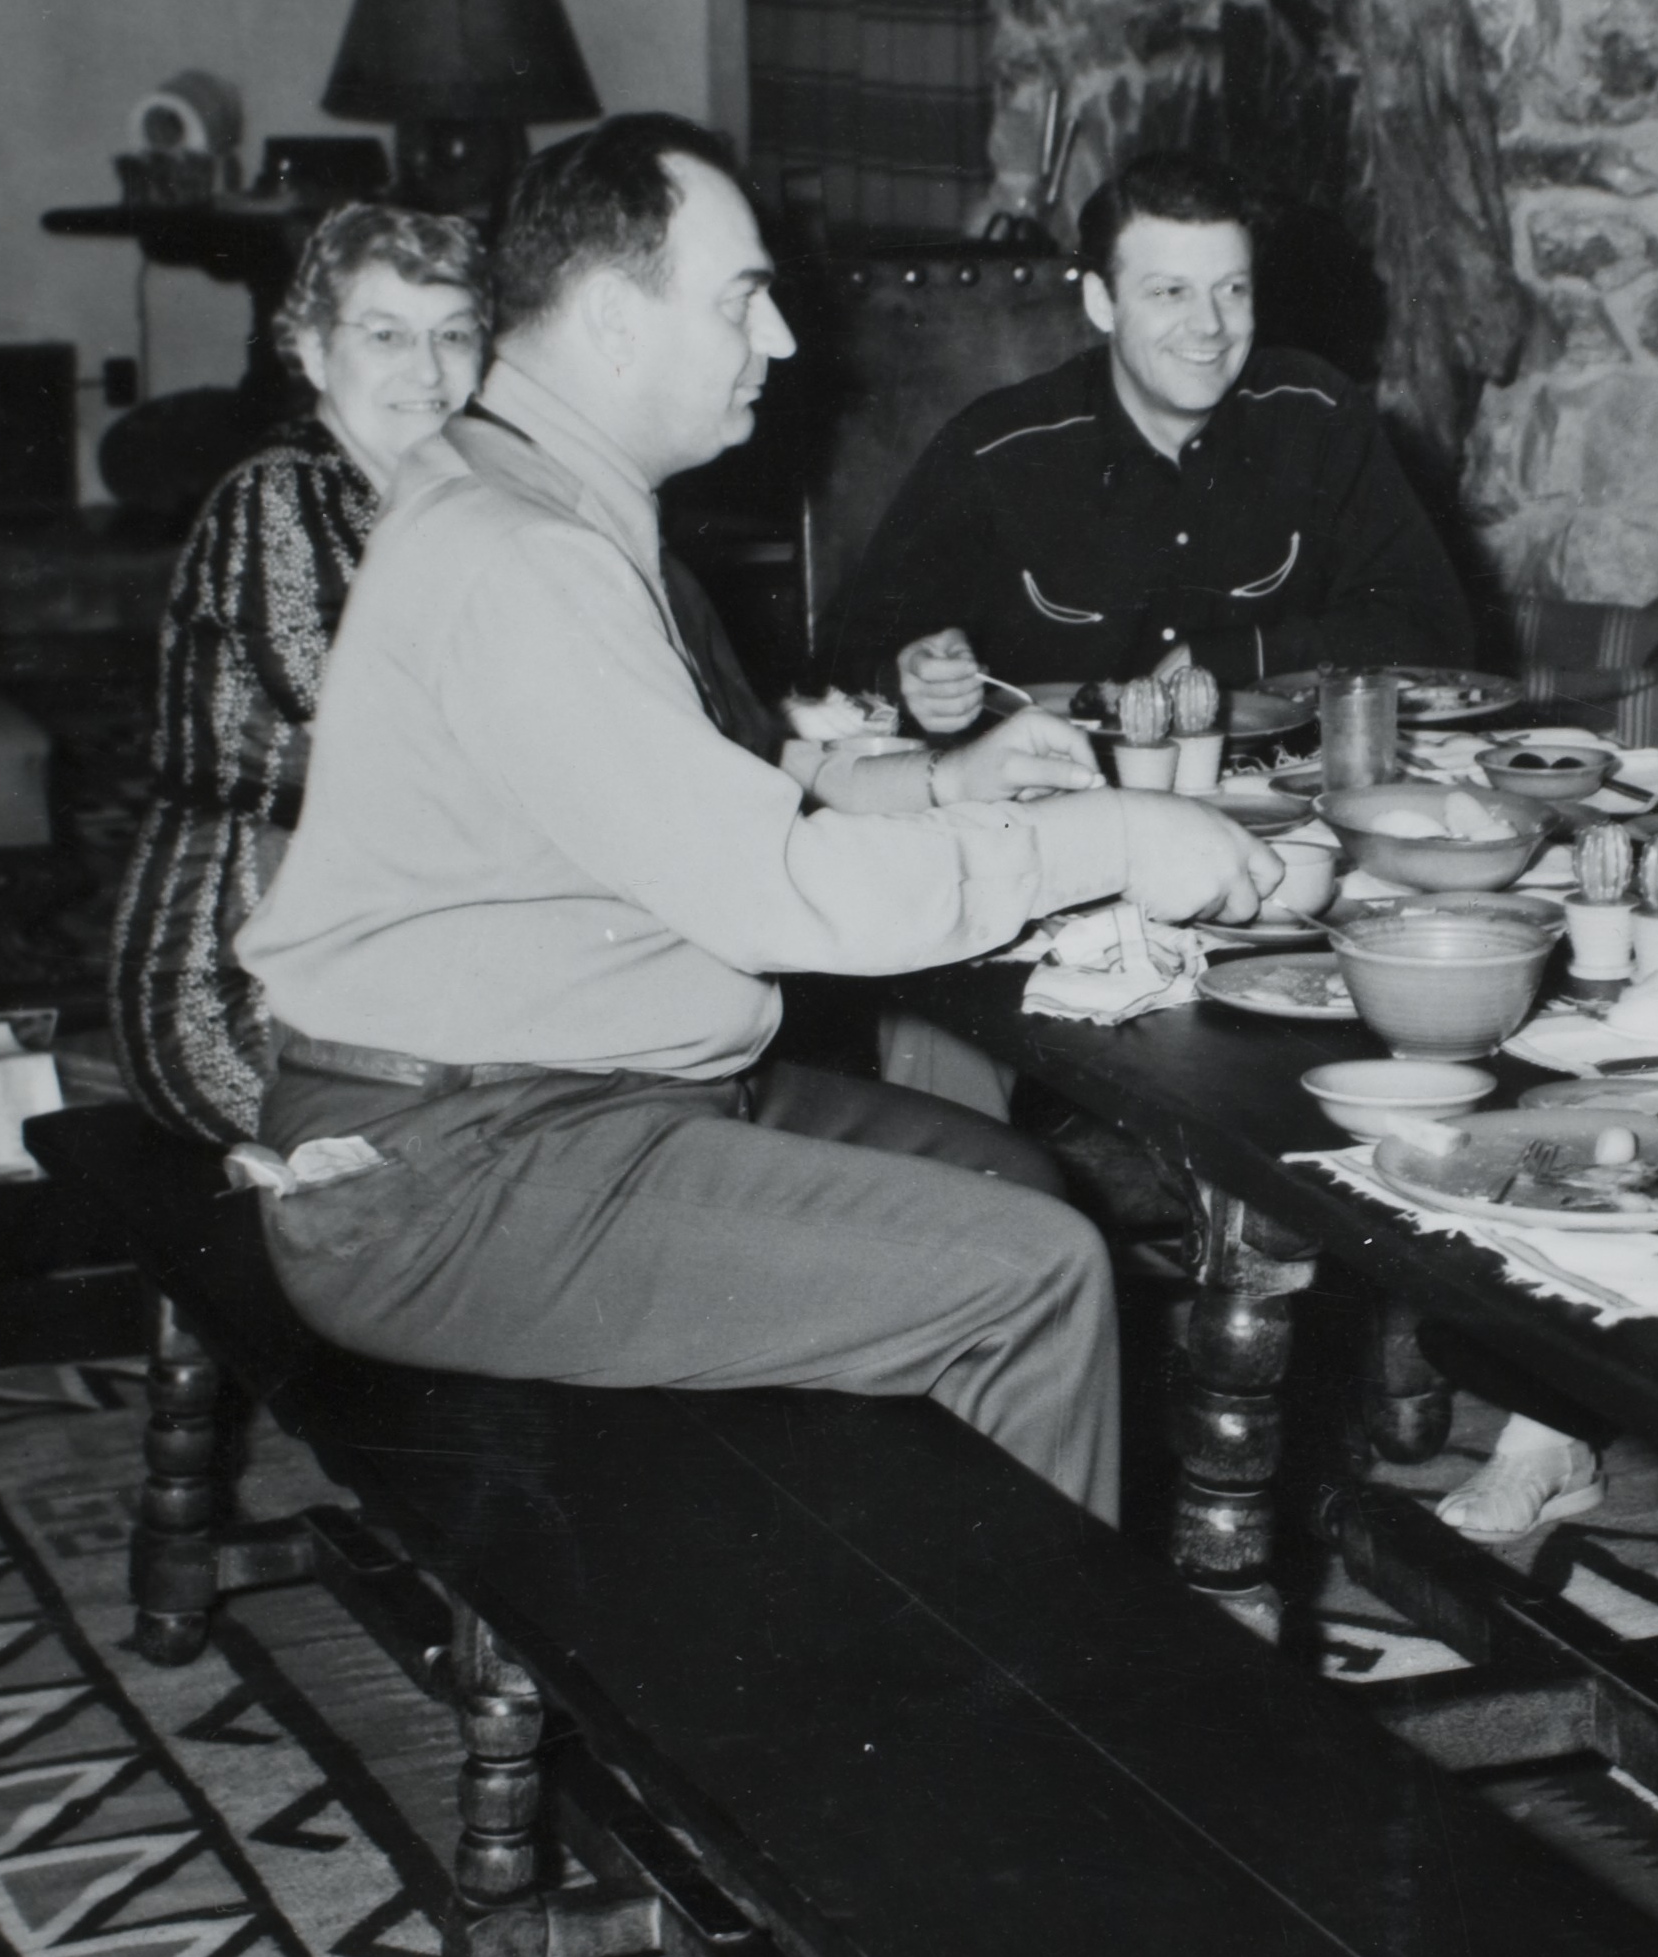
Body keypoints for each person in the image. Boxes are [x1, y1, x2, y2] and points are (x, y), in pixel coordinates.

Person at [235, 118, 1280, 1522]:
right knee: (1031, 1277)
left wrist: (942, 790)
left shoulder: (543, 499)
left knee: (1009, 1176)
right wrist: (1108, 838)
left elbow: (720, 795)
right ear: (613, 319)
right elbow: (772, 893)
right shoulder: (527, 557)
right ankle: (1015, 1719)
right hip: (450, 1172)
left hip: (560, 1097)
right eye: (742, 298)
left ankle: (910, 1594)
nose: (780, 340)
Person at [828, 146, 1476, 734]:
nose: (1210, 326)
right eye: (1170, 292)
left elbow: (1434, 632)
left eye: (1232, 290)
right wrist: (913, 671)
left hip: (1277, 802)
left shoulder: (1317, 416)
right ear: (1102, 304)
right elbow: (850, 654)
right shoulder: (997, 450)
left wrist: (1233, 658)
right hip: (1060, 814)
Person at [109, 203, 489, 1145]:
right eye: (387, 336)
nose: (428, 371)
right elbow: (364, 734)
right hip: (238, 987)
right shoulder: (279, 492)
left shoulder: (446, 498)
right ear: (315, 352)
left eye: (454, 335)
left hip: (369, 949)